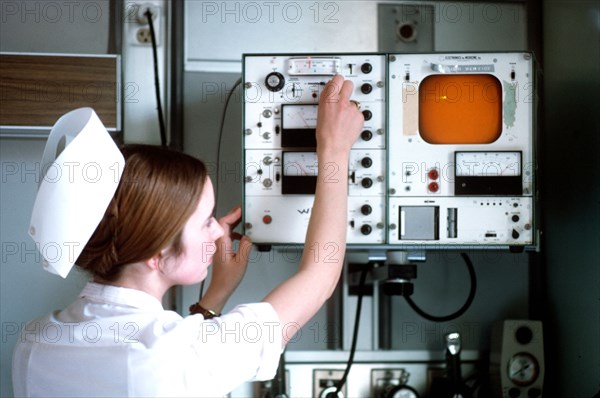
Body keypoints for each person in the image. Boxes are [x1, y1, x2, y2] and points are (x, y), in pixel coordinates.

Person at [12, 75, 364, 397]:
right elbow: (320, 274)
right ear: (156, 252)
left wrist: (217, 294)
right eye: (205, 221)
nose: (217, 230)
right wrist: (333, 150)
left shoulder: (35, 341)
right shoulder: (178, 355)